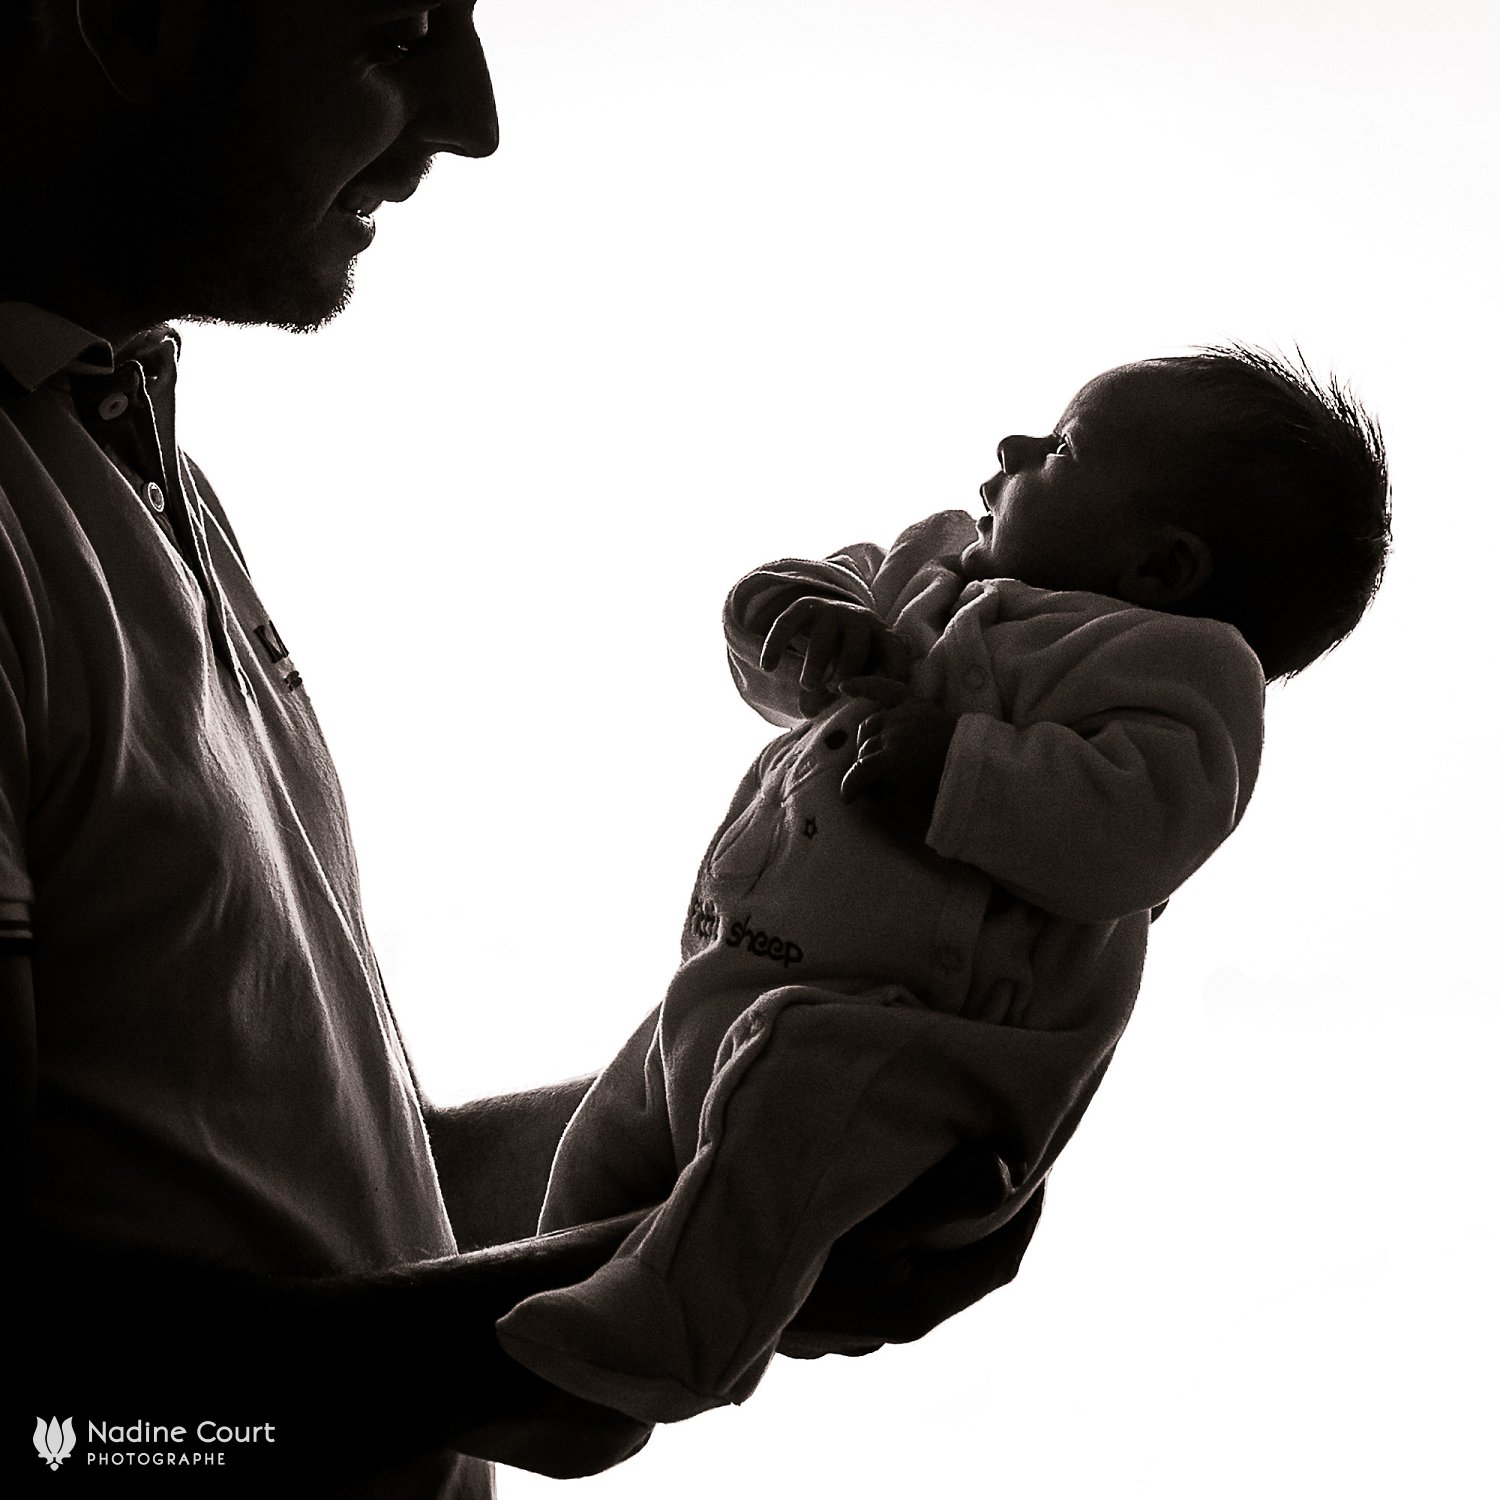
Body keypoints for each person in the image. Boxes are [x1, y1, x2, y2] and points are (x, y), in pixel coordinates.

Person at [0, 3, 1036, 1495]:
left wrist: (746, 1143)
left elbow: (321, 1207)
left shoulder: (115, 440)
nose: (472, 116)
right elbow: (52, 1413)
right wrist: (615, 1315)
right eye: (402, 24)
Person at [494, 351, 1392, 1426]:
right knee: (620, 1121)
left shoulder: (1178, 670)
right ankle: (530, 1318)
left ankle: (668, 1342)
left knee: (799, 1083)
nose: (1012, 451)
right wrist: (798, 614)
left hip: (941, 1051)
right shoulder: (925, 566)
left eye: (1059, 448)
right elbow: (780, 604)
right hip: (737, 988)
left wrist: (961, 766)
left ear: (1160, 567)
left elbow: (1137, 834)